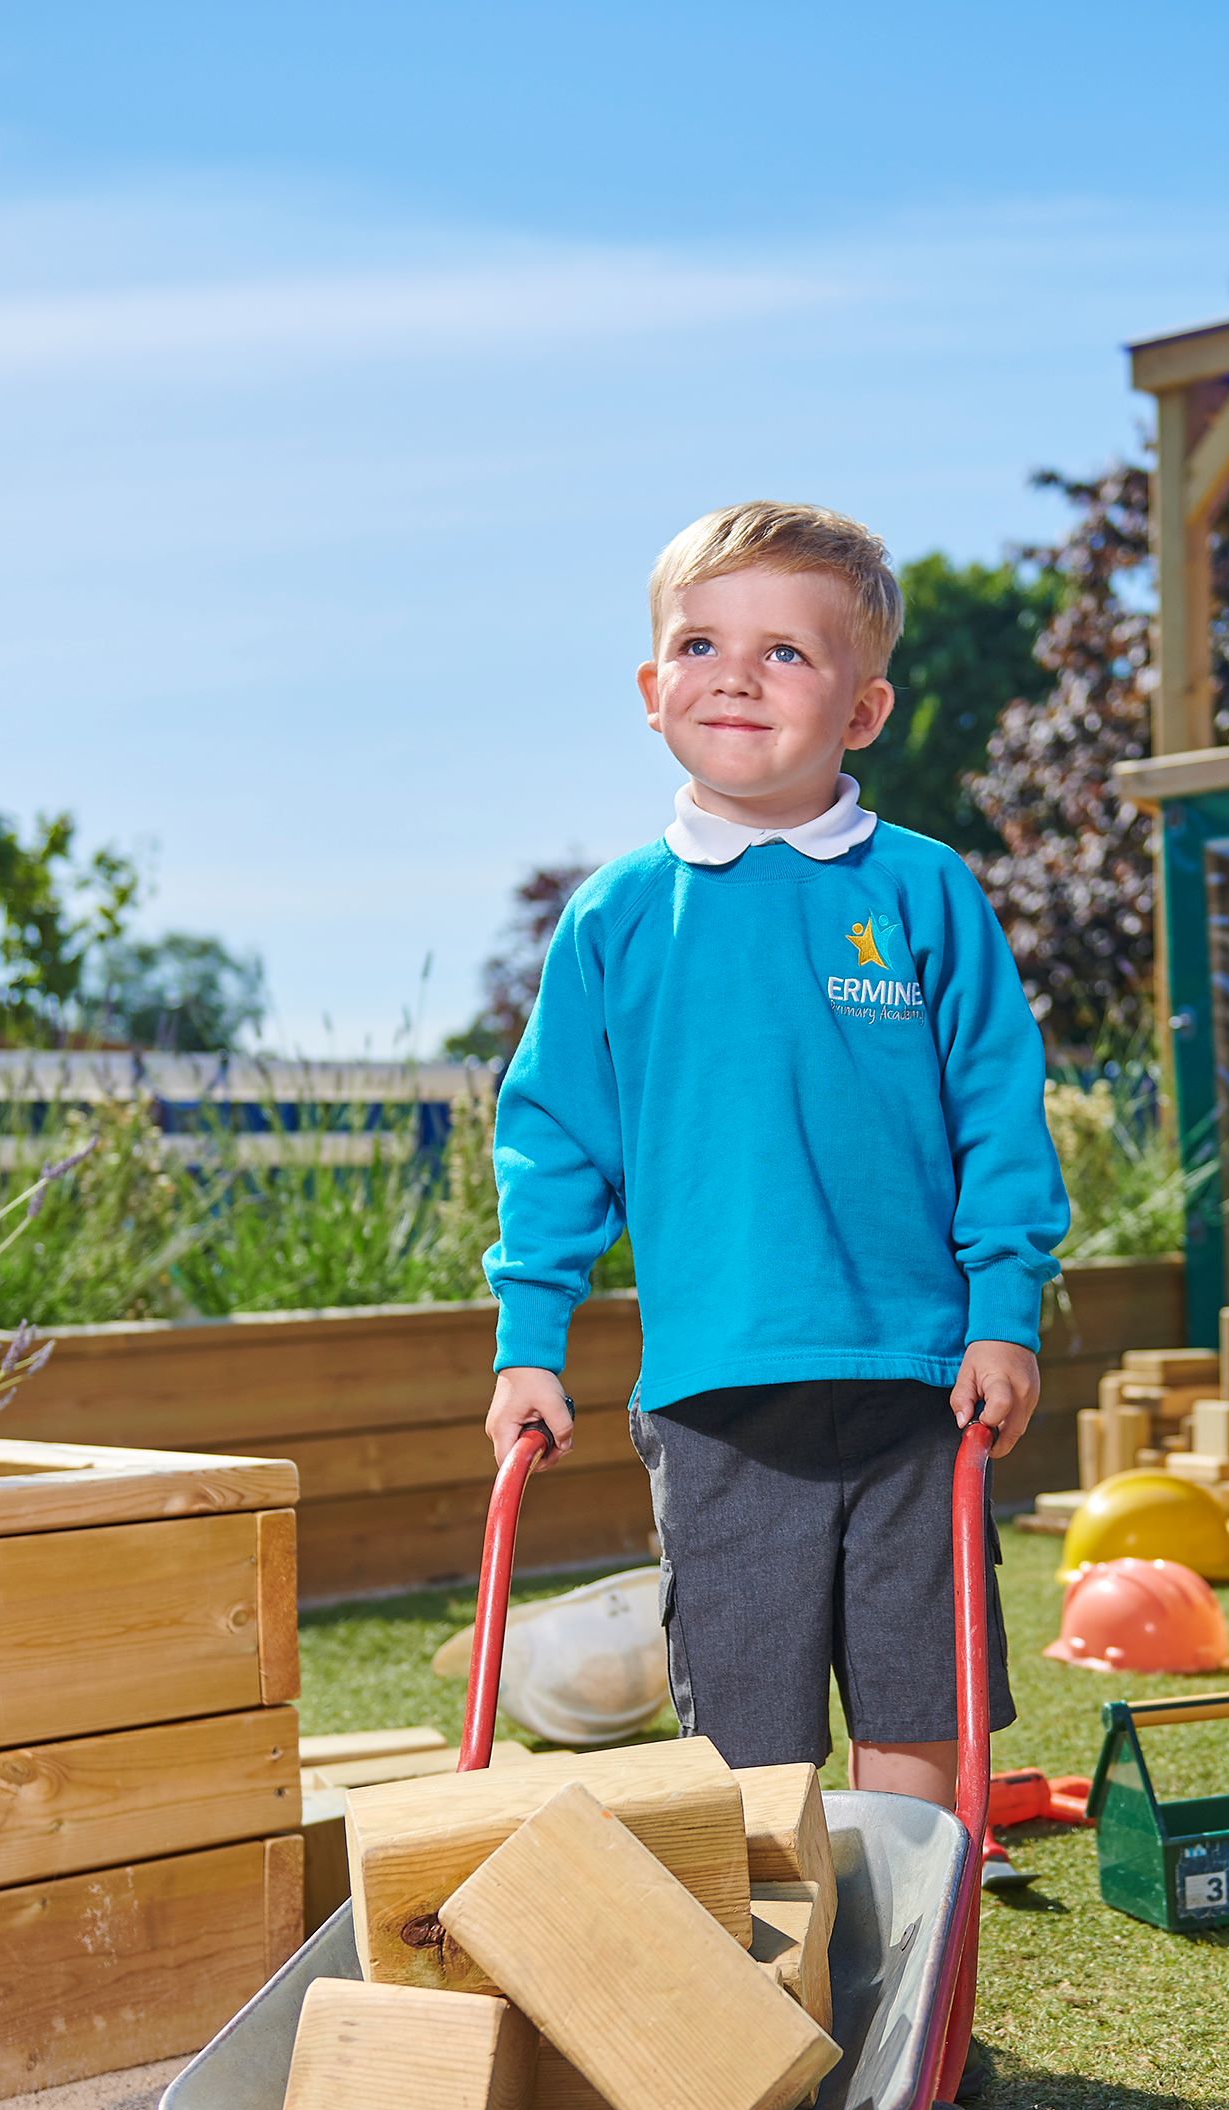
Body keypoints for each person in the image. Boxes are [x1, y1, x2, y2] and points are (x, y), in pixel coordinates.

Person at [479, 502, 1069, 1800]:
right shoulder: (618, 917)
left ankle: (906, 1988)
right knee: (747, 1736)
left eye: (785, 653)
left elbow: (996, 1114)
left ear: (862, 710)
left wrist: (1003, 1313)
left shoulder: (920, 892)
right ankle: (777, 1991)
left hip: (921, 1378)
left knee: (921, 1704)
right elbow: (556, 1143)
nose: (734, 674)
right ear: (650, 689)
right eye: (698, 643)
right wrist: (530, 1342)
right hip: (715, 1393)